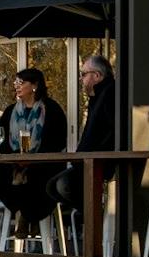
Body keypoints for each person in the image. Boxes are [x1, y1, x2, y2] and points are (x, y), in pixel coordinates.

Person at [0, 67, 68, 226]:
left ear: (35, 86)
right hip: (14, 162)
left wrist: (31, 159)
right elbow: (2, 140)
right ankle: (20, 214)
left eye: (21, 82)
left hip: (43, 164)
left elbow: (58, 142)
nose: (16, 85)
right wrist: (16, 158)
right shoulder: (10, 111)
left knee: (36, 179)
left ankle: (28, 218)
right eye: (15, 82)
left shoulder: (51, 109)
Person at [48, 54, 116, 213]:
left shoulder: (110, 94)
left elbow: (114, 131)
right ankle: (91, 216)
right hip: (86, 162)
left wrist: (97, 154)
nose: (80, 79)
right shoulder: (97, 98)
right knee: (52, 186)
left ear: (97, 76)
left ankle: (96, 217)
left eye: (84, 74)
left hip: (100, 164)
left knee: (63, 185)